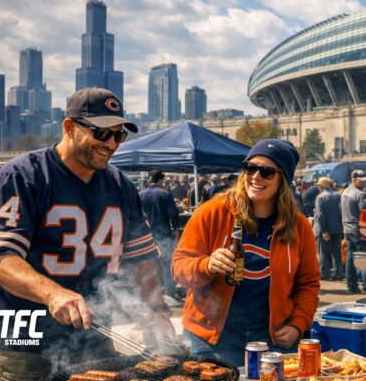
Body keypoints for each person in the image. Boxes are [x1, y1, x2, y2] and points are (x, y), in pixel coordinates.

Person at [0, 87, 176, 380]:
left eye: (119, 135)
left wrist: (156, 309)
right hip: (25, 341)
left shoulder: (121, 187)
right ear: (69, 128)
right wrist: (52, 293)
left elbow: (140, 260)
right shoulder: (21, 177)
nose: (111, 144)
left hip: (95, 334)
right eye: (102, 133)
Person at [172, 139, 320, 367]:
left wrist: (298, 324)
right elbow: (178, 268)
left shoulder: (298, 226)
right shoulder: (213, 212)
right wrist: (207, 265)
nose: (256, 177)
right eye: (250, 167)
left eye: (267, 172)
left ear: (283, 180)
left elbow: (308, 284)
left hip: (271, 338)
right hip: (213, 336)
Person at [139, 169, 181, 301]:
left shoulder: (140, 194)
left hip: (145, 235)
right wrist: (176, 228)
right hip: (162, 234)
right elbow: (173, 214)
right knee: (167, 263)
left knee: (149, 265)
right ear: (160, 180)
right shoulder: (165, 194)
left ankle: (152, 294)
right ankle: (170, 293)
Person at [341, 170, 366, 294]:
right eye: (361, 182)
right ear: (354, 180)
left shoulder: (344, 192)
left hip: (346, 228)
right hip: (357, 229)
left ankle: (351, 285)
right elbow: (364, 212)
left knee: (350, 258)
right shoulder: (360, 194)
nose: (364, 184)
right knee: (364, 256)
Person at [312, 177, 344, 280]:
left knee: (323, 253)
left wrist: (324, 230)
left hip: (324, 230)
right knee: (336, 252)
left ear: (322, 186)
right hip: (337, 229)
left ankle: (324, 274)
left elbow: (320, 215)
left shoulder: (320, 197)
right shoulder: (338, 195)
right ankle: (338, 273)